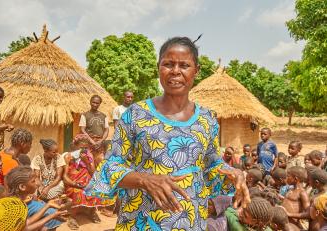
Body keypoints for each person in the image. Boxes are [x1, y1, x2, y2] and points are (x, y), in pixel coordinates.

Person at [84, 36, 250, 230]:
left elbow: (212, 164)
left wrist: (233, 173)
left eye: (184, 65)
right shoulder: (136, 114)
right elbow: (109, 167)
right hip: (141, 221)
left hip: (190, 220)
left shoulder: (207, 119)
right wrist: (144, 180)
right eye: (168, 64)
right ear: (158, 68)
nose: (176, 71)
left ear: (196, 70)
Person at [6, 166, 65, 230]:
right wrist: (51, 216)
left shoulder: (21, 200)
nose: (37, 183)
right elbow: (25, 228)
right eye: (33, 181)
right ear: (22, 187)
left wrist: (48, 205)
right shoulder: (16, 207)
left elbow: (27, 222)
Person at [63, 134, 103, 228]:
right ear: (75, 146)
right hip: (73, 183)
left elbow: (93, 173)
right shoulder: (68, 157)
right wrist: (75, 184)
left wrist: (86, 161)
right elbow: (65, 176)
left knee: (97, 189)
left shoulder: (89, 156)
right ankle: (72, 217)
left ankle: (92, 212)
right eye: (81, 147)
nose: (83, 150)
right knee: (79, 192)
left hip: (87, 181)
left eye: (86, 148)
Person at [79, 95, 109, 160]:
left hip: (100, 143)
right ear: (90, 102)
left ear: (100, 104)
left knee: (103, 160)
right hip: (88, 143)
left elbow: (106, 130)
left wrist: (101, 140)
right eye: (93, 102)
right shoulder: (84, 115)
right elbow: (82, 130)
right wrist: (91, 141)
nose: (95, 104)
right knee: (88, 161)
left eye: (97, 103)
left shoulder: (104, 116)